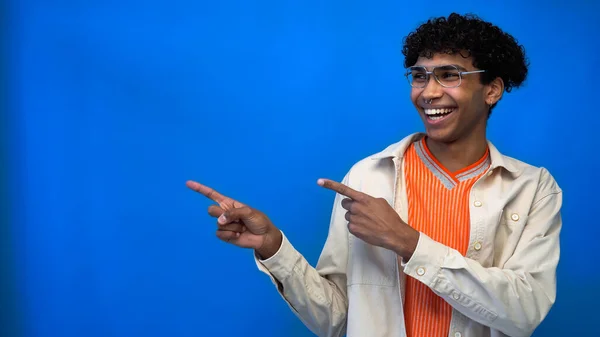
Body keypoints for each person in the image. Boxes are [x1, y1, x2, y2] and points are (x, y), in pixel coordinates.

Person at [187, 13, 562, 337]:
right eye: (419, 76)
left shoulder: (532, 188)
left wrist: (409, 243)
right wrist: (273, 247)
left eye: (449, 75)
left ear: (492, 89)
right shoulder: (368, 176)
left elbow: (524, 312)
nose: (428, 92)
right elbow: (337, 319)